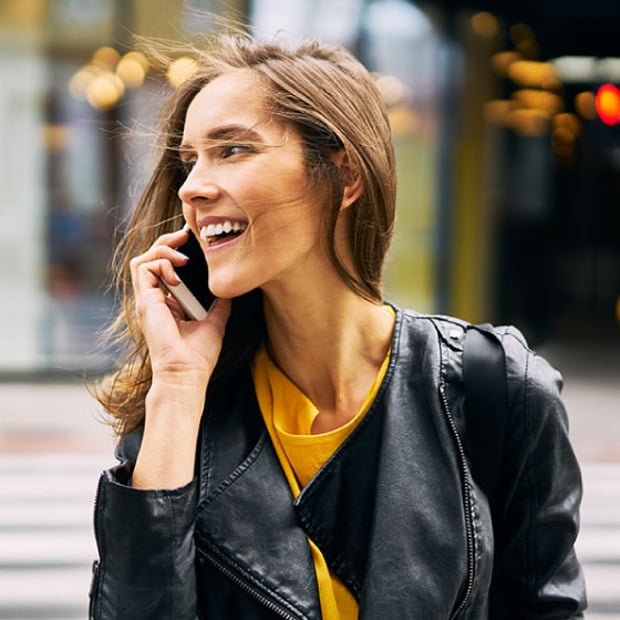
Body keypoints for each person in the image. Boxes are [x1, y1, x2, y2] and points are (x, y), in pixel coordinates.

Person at [89, 31, 586, 619]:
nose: (192, 187)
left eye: (232, 150)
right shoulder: (183, 405)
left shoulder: (495, 388)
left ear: (344, 175)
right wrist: (174, 382)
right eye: (187, 159)